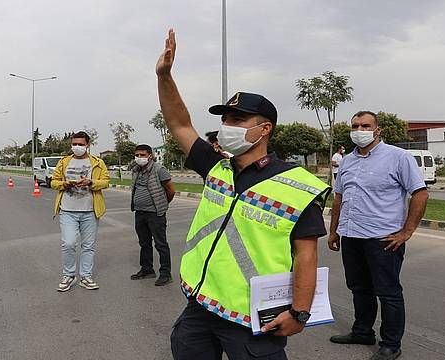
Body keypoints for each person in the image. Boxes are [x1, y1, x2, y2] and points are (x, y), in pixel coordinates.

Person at [156, 29, 331, 359]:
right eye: (224, 120)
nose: (227, 126)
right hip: (200, 305)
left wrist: (300, 313)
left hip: (253, 319)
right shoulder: (215, 167)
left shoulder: (297, 186)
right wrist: (164, 75)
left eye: (237, 119)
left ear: (264, 128)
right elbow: (179, 122)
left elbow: (306, 255)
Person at [327, 111, 429, 360]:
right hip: (351, 236)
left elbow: (420, 193)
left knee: (388, 292)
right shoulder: (348, 160)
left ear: (377, 130)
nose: (359, 130)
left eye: (365, 125)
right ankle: (362, 331)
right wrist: (334, 230)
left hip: (382, 239)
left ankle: (391, 344)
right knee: (359, 288)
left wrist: (406, 231)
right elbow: (339, 196)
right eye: (355, 125)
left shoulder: (398, 157)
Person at [51, 131, 110, 292]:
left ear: (87, 145)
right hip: (67, 210)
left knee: (88, 245)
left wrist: (91, 182)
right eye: (74, 144)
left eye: (81, 144)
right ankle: (69, 275)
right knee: (68, 243)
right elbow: (53, 182)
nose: (77, 147)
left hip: (90, 211)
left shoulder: (97, 162)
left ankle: (86, 276)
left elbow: (105, 182)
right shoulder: (64, 162)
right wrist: (64, 184)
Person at [129, 144, 176, 286]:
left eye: (142, 155)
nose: (139, 158)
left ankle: (165, 273)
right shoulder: (136, 170)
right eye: (137, 155)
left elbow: (170, 190)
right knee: (144, 243)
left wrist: (162, 205)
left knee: (160, 244)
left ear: (150, 155)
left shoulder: (159, 169)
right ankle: (147, 269)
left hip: (155, 213)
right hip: (140, 212)